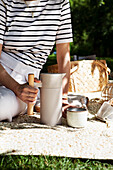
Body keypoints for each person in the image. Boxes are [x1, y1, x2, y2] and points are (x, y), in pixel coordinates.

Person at [0, 0, 73, 121]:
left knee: (2, 105)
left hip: (27, 83)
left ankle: (36, 98)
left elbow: (63, 56)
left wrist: (63, 98)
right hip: (4, 72)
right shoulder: (5, 2)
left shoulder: (60, 3)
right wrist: (16, 88)